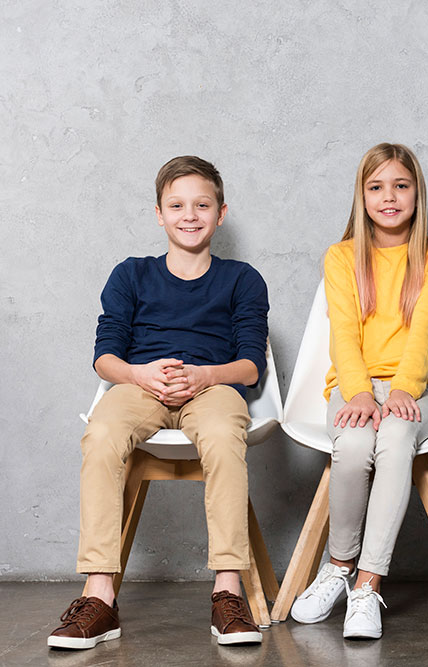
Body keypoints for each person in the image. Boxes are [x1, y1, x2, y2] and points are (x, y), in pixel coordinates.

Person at [48, 156, 269, 650]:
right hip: (139, 385)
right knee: (102, 433)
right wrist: (138, 374)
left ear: (221, 212)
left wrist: (205, 375)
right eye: (177, 205)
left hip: (211, 388)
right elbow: (105, 356)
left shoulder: (242, 278)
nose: (189, 215)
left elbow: (252, 364)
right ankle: (99, 596)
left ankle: (228, 593)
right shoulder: (130, 275)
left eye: (202, 205)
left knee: (221, 435)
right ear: (159, 214)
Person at [290, 143, 428, 640]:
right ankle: (338, 567)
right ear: (361, 197)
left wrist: (404, 389)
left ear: (417, 194)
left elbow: (425, 326)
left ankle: (367, 584)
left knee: (397, 437)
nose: (390, 197)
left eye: (401, 186)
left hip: (419, 387)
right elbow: (343, 332)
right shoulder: (341, 257)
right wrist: (360, 393)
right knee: (357, 442)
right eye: (377, 187)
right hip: (356, 385)